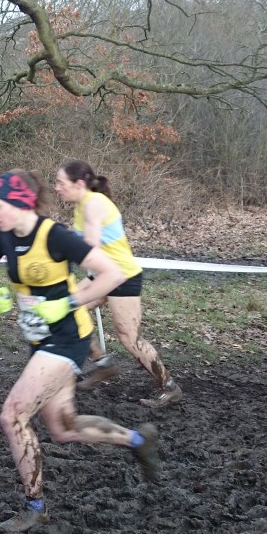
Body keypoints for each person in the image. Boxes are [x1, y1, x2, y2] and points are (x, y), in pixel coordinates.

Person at [0, 169, 160, 533]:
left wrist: (67, 302)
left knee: (12, 416)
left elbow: (112, 274)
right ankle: (138, 440)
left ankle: (35, 507)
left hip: (67, 339)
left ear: (20, 203)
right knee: (63, 429)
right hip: (39, 342)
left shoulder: (55, 236)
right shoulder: (2, 235)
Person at [53, 160, 182, 408]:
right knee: (66, 310)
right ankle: (103, 365)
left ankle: (169, 387)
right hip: (102, 275)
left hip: (123, 276)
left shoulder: (94, 204)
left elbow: (88, 247)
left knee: (129, 338)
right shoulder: (81, 206)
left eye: (60, 182)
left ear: (78, 183)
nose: (56, 188)